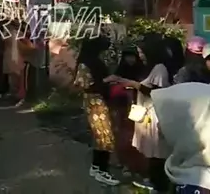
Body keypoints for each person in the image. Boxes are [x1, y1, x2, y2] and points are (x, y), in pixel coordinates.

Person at [106, 34, 171, 192]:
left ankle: (159, 184)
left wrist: (132, 84)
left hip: (155, 113)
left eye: (141, 52)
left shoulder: (160, 68)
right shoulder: (152, 67)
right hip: (145, 111)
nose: (140, 55)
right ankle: (152, 180)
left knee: (157, 150)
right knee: (150, 149)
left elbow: (157, 92)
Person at [73, 36, 120, 186]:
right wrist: (107, 81)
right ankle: (102, 171)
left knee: (101, 136)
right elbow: (85, 85)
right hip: (94, 102)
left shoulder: (94, 62)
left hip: (100, 101)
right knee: (104, 136)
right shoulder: (85, 64)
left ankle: (95, 167)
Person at [108, 45, 147, 176]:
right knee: (122, 135)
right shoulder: (120, 70)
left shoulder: (142, 70)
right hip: (121, 106)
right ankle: (123, 162)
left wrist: (126, 82)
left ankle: (137, 165)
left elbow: (143, 86)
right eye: (127, 57)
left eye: (132, 57)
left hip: (138, 106)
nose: (130, 60)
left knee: (137, 135)